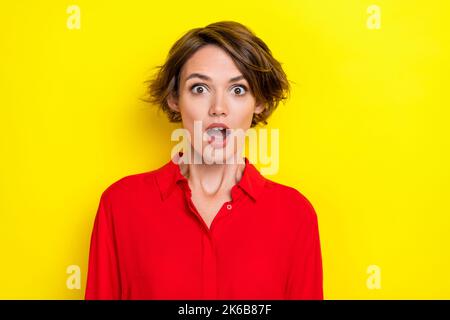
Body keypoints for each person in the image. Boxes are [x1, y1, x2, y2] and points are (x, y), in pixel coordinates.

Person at [85, 21, 323, 300]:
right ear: (175, 98)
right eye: (199, 89)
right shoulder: (121, 205)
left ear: (258, 102)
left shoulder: (295, 215)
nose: (218, 109)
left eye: (237, 90)